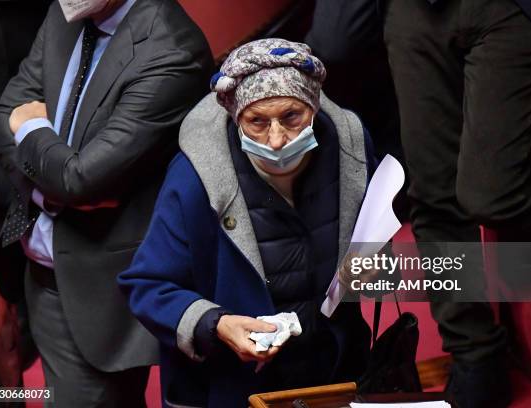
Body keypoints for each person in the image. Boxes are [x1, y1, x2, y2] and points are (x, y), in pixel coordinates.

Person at [118, 38, 375, 408]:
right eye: (256, 122)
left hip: (332, 378)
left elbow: (371, 235)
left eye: (291, 117)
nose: (276, 140)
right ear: (235, 117)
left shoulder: (350, 151)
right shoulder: (194, 179)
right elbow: (146, 285)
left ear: (313, 107)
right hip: (235, 388)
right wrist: (216, 324)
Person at [0, 0, 214, 405]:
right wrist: (46, 191)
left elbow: (80, 179)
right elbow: (3, 115)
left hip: (97, 291)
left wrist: (32, 125)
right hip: (35, 267)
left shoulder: (171, 49)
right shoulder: (67, 11)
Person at [381, 0, 531, 407]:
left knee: (493, 194)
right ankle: (475, 354)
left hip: (511, 8)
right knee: (431, 193)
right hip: (415, 11)